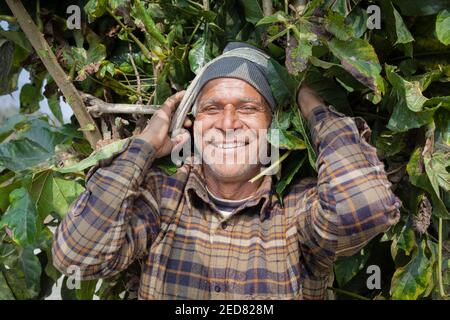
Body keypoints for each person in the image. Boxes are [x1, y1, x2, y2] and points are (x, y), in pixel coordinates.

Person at [52, 42, 401, 300]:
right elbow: (77, 257)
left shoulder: (296, 208)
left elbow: (366, 206)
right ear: (191, 125)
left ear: (275, 126)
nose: (229, 122)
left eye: (248, 108)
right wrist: (144, 147)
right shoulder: (163, 196)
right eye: (212, 108)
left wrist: (308, 104)